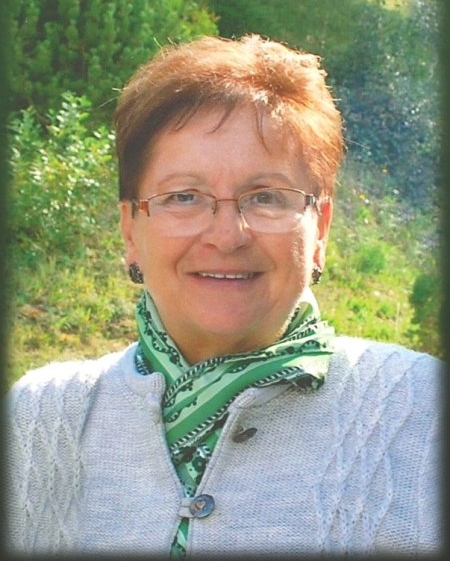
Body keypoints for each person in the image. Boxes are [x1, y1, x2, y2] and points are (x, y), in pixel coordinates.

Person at [5, 34, 443, 557]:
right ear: (130, 230)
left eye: (266, 197)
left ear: (320, 228)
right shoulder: (38, 419)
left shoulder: (423, 413)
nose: (227, 235)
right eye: (184, 196)